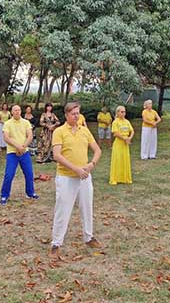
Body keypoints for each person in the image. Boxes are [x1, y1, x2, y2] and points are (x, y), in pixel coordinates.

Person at [50, 102, 102, 257]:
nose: (76, 116)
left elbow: (97, 150)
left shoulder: (84, 131)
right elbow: (57, 155)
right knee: (63, 209)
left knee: (87, 207)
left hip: (85, 176)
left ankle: (89, 237)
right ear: (66, 115)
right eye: (73, 113)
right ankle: (56, 243)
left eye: (78, 113)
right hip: (66, 177)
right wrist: (76, 169)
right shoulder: (59, 131)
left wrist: (91, 164)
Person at [0, 105, 38, 205]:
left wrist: (23, 147)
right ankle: (4, 195)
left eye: (19, 110)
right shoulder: (8, 123)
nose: (17, 112)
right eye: (15, 110)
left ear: (21, 111)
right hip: (12, 153)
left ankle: (30, 193)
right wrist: (17, 147)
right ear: (11, 112)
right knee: (9, 175)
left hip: (24, 152)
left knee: (29, 174)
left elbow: (30, 136)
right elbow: (6, 138)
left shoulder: (26, 122)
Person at [109, 106, 134, 185]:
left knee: (125, 160)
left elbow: (132, 130)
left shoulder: (127, 121)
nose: (123, 113)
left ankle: (125, 178)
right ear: (117, 112)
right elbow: (115, 133)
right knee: (117, 160)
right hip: (118, 143)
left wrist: (129, 138)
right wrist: (125, 139)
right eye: (121, 112)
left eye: (124, 112)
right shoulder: (115, 122)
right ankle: (115, 178)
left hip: (125, 144)